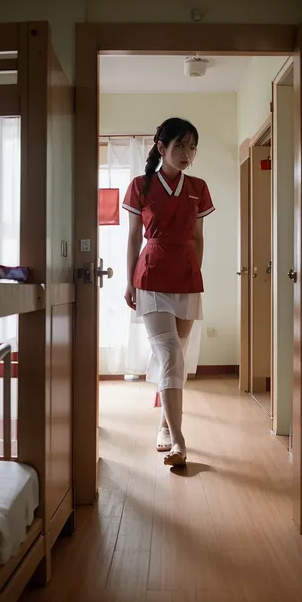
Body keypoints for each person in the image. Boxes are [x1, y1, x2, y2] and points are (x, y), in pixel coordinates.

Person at [123, 118, 215, 467]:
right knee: (171, 354)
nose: (187, 154)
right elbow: (133, 237)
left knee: (175, 357)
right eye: (180, 146)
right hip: (152, 276)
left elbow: (198, 238)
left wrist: (196, 274)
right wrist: (130, 280)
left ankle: (164, 427)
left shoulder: (199, 186)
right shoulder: (140, 185)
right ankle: (179, 441)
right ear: (161, 147)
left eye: (192, 147)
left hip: (187, 279)